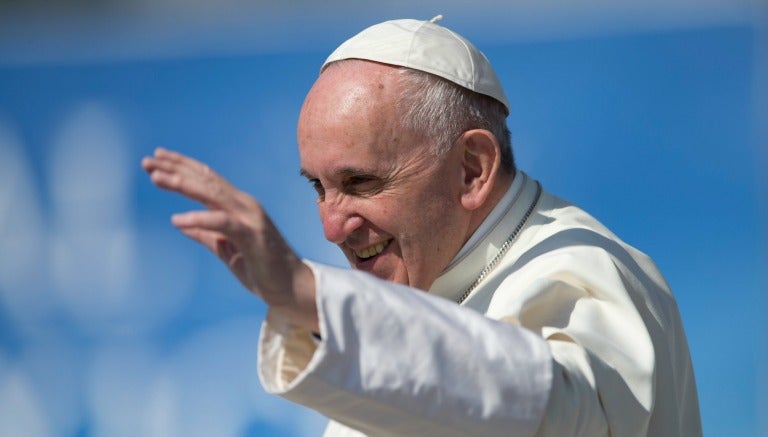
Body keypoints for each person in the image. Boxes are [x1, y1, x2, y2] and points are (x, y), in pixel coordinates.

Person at [142, 16, 702, 437]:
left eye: (360, 183)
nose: (332, 228)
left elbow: (557, 414)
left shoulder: (581, 268)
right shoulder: (417, 290)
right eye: (317, 187)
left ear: (471, 169)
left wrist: (305, 293)